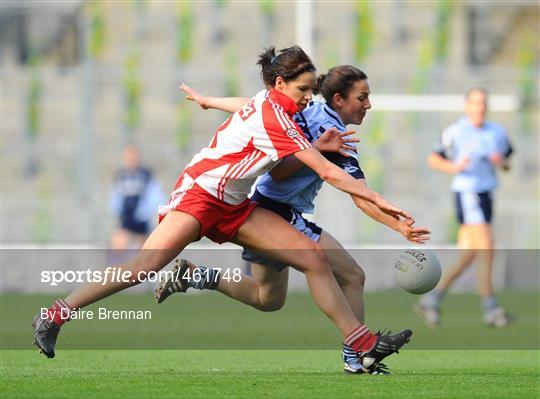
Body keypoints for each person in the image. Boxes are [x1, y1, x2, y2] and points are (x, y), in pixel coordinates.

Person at [32, 46, 413, 370]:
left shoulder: (276, 104)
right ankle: (54, 315)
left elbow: (245, 105)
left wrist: (209, 101)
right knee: (142, 268)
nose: (308, 97)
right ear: (280, 84)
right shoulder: (277, 117)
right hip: (200, 197)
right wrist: (380, 200)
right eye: (303, 89)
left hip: (235, 205)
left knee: (312, 258)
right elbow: (325, 171)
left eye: (312, 90)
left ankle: (359, 344)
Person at [155, 65, 430, 374]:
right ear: (339, 99)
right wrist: (398, 225)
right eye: (362, 97)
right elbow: (359, 195)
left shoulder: (307, 107)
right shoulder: (333, 135)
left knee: (267, 299)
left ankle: (198, 276)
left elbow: (252, 105)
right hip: (274, 214)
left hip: (264, 208)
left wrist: (210, 101)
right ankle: (358, 356)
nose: (368, 105)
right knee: (352, 276)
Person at [415, 87, 514, 329]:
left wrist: (501, 162)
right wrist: (455, 166)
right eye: (475, 103)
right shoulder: (456, 131)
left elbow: (507, 162)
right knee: (487, 247)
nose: (479, 108)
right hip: (467, 193)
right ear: (467, 106)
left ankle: (431, 300)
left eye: (483, 103)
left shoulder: (497, 133)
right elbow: (433, 158)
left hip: (486, 193)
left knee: (469, 256)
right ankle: (491, 307)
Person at [109, 144, 165, 249]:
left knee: (146, 250)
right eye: (128, 158)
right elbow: (116, 200)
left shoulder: (146, 175)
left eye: (133, 158)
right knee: (118, 243)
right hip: (126, 221)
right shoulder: (121, 176)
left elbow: (156, 198)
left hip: (143, 223)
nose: (131, 161)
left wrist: (144, 214)